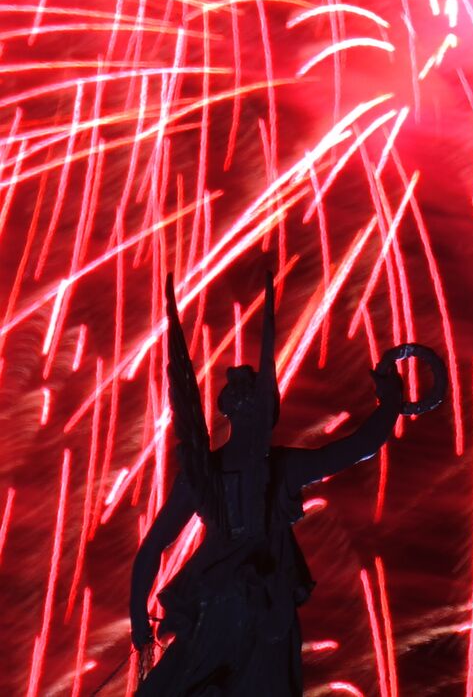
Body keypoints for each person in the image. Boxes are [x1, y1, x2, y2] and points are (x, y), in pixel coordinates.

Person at [129, 274, 434, 695]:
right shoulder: (282, 467)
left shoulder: (203, 473)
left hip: (211, 604)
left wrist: (138, 614)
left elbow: (153, 546)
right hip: (263, 607)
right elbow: (356, 448)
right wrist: (390, 404)